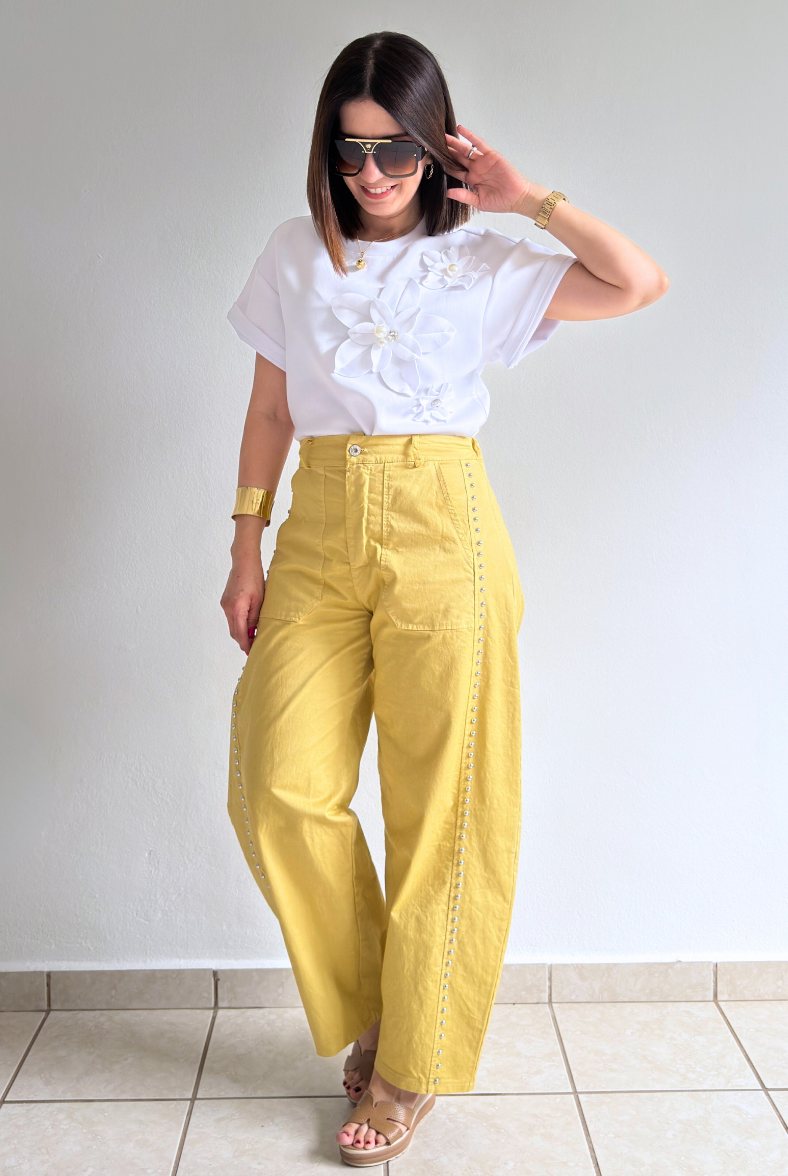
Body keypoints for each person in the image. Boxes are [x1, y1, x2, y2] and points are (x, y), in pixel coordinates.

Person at [220, 29, 668, 1168]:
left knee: (445, 805)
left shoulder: (483, 263)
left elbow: (637, 282)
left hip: (443, 524)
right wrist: (245, 545)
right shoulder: (292, 253)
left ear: (436, 150)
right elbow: (270, 409)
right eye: (350, 149)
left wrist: (531, 200)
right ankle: (379, 1006)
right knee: (276, 787)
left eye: (396, 150)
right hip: (319, 526)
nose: (370, 173)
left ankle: (411, 1060)